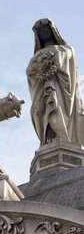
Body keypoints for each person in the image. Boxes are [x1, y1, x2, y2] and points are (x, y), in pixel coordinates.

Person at [26, 18, 84, 147]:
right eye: (41, 31)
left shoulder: (65, 48)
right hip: (42, 89)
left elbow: (61, 60)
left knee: (57, 109)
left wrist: (51, 63)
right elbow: (29, 71)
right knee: (39, 110)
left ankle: (62, 139)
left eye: (46, 28)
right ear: (38, 35)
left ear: (53, 31)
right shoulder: (36, 55)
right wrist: (39, 67)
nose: (44, 31)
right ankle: (47, 142)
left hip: (61, 90)